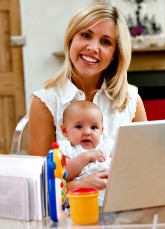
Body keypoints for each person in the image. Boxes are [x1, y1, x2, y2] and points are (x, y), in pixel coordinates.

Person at [28, 3, 147, 191]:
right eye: (85, 35)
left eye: (106, 42)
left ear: (115, 53)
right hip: (72, 212)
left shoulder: (131, 100)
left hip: (128, 205)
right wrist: (79, 185)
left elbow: (146, 167)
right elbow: (39, 187)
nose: (93, 48)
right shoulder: (45, 102)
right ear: (70, 40)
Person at [59, 100, 112, 181]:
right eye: (79, 126)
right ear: (64, 131)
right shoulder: (67, 148)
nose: (87, 132)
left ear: (101, 131)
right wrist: (86, 156)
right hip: (81, 192)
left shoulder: (105, 147)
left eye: (94, 127)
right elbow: (65, 174)